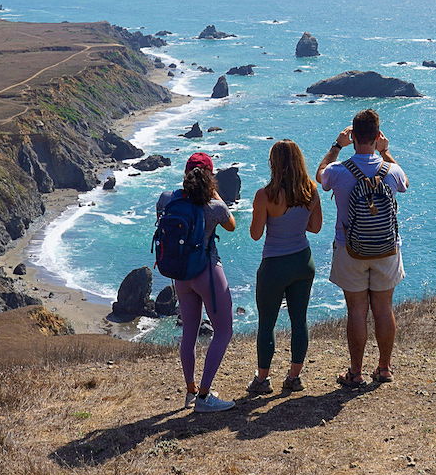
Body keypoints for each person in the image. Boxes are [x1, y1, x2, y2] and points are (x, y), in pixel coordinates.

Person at [316, 109, 409, 388]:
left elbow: (319, 175)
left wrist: (336, 146)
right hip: (386, 248)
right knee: (383, 307)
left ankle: (355, 373)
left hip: (350, 249)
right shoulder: (391, 171)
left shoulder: (339, 171)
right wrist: (387, 152)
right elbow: (404, 183)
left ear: (353, 137)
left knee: (356, 310)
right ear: (378, 136)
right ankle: (384, 368)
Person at [156, 152, 237, 412]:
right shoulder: (214, 206)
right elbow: (231, 225)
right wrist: (214, 194)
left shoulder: (167, 198)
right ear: (210, 176)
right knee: (223, 330)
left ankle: (191, 391)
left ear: (185, 173)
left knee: (189, 331)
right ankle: (204, 397)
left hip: (180, 275)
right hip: (207, 272)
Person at [246, 139, 323, 394]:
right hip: (303, 261)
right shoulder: (311, 190)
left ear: (273, 164)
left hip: (274, 266)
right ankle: (293, 377)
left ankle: (262, 380)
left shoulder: (264, 195)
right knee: (299, 321)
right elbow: (315, 227)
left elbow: (255, 235)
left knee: (267, 323)